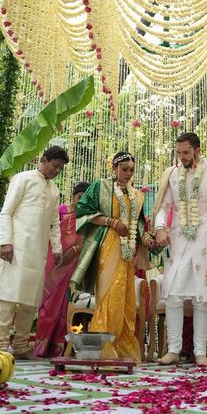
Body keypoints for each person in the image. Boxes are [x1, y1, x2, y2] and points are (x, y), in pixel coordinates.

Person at [153, 132, 207, 367]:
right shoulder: (171, 174)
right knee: (173, 294)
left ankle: (201, 352)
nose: (182, 157)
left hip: (206, 241)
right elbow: (163, 207)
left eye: (186, 153)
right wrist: (160, 228)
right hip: (179, 242)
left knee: (202, 298)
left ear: (197, 149)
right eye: (178, 153)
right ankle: (173, 350)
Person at [74, 152, 155, 363]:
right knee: (109, 293)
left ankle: (121, 345)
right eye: (124, 169)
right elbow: (82, 210)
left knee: (125, 296)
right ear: (114, 169)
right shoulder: (101, 187)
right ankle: (103, 346)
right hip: (108, 246)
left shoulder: (137, 195)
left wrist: (146, 238)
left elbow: (138, 224)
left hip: (128, 251)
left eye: (131, 170)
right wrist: (111, 221)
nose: (128, 174)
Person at [0, 145, 69, 360]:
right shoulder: (23, 179)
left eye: (60, 169)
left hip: (38, 253)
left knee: (29, 300)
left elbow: (55, 223)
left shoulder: (54, 190)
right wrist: (6, 243)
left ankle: (20, 346)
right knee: (8, 297)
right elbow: (5, 212)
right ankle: (0, 345)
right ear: (43, 160)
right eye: (55, 166)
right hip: (16, 248)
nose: (56, 171)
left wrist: (57, 250)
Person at [34, 181, 90, 357]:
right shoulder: (61, 211)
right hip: (54, 262)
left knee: (67, 304)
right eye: (79, 197)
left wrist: (73, 250)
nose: (81, 202)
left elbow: (88, 241)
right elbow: (48, 232)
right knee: (48, 303)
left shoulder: (88, 218)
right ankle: (42, 345)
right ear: (73, 196)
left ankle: (62, 347)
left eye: (85, 199)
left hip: (74, 266)